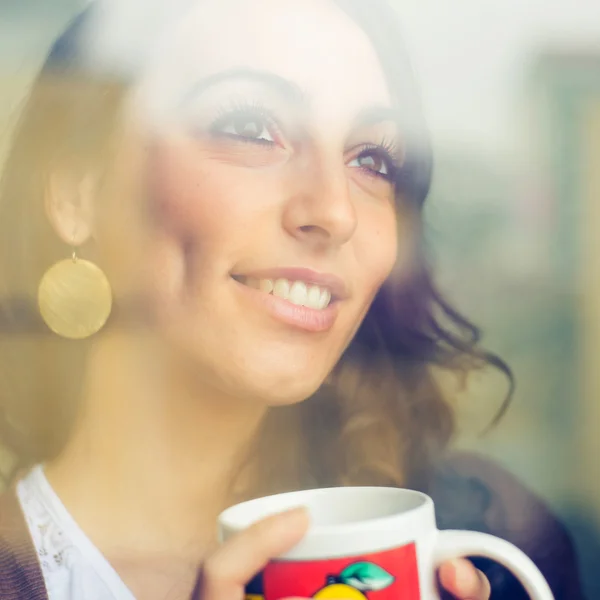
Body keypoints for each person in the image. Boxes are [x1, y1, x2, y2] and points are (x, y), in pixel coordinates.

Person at [0, 0, 584, 599]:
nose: (334, 212)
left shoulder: (494, 547)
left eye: (372, 159)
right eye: (251, 128)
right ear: (79, 193)